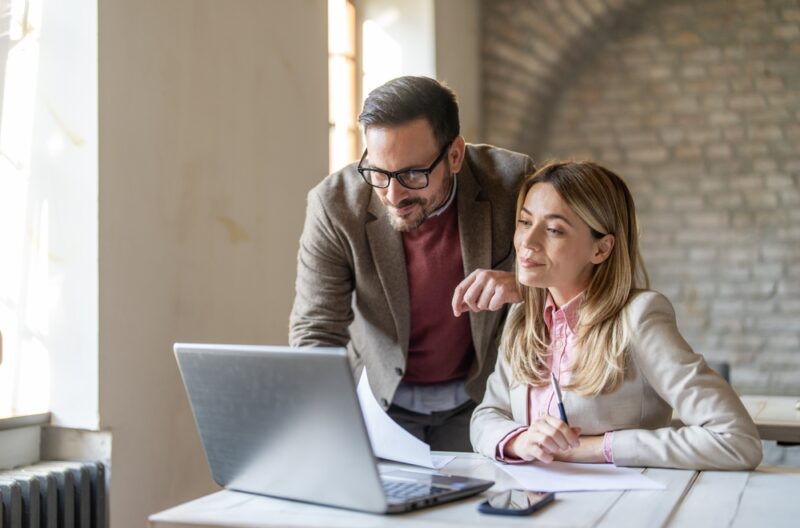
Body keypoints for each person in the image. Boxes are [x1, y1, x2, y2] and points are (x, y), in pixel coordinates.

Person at [289, 76, 534, 451]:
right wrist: (325, 431)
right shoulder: (334, 205)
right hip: (379, 404)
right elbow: (316, 331)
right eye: (378, 172)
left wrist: (523, 285)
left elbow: (577, 279)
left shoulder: (511, 184)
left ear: (455, 155)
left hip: (483, 401)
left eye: (412, 175)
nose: (393, 194)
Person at [470, 161, 762, 469]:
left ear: (601, 249)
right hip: (533, 508)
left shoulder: (639, 317)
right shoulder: (523, 316)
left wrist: (596, 448)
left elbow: (736, 440)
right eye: (525, 222)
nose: (527, 243)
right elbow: (487, 416)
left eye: (554, 229)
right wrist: (520, 440)